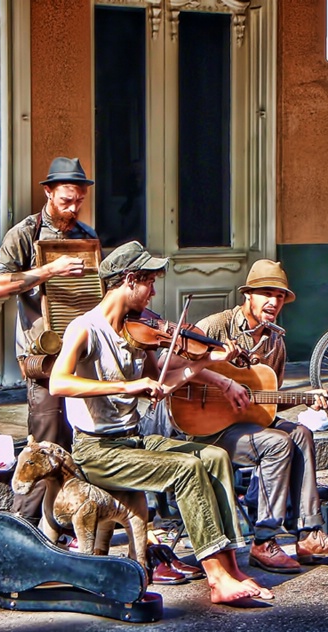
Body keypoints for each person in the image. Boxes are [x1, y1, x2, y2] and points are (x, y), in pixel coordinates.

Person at [48, 241, 272, 605]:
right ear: (129, 280)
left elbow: (163, 383)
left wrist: (207, 362)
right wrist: (127, 385)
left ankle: (231, 567)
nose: (153, 291)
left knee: (213, 457)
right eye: (149, 282)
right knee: (186, 468)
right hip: (97, 450)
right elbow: (58, 383)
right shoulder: (84, 328)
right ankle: (216, 579)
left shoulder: (133, 332)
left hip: (132, 439)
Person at [188, 260, 328, 574]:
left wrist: (308, 401)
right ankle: (264, 541)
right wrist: (219, 379)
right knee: (277, 444)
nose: (273, 302)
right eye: (266, 293)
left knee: (301, 433)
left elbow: (268, 405)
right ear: (247, 295)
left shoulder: (276, 341)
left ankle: (309, 534)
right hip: (205, 427)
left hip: (247, 426)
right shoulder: (215, 326)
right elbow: (175, 369)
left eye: (279, 296)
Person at [0, 157, 98, 526]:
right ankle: (24, 528)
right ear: (48, 192)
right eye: (67, 199)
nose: (73, 207)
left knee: (85, 439)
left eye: (79, 200)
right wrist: (50, 269)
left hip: (81, 355)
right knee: (45, 440)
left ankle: (70, 522)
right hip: (44, 358)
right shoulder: (24, 234)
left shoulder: (85, 235)